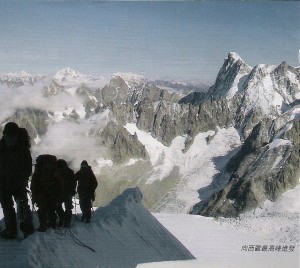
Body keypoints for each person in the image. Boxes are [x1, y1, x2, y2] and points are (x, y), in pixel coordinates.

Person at [0, 122, 34, 239]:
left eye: (12, 137)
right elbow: (28, 167)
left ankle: (13, 230)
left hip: (9, 182)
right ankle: (25, 229)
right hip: (12, 182)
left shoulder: (5, 146)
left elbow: (27, 167)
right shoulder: (22, 147)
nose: (10, 140)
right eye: (9, 137)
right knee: (19, 204)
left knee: (12, 205)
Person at [31, 154, 63, 232]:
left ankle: (43, 226)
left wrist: (34, 194)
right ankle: (52, 225)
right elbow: (60, 183)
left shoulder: (39, 168)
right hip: (53, 193)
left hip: (41, 193)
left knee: (42, 210)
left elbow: (34, 182)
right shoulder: (54, 169)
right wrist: (59, 194)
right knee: (51, 209)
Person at [56, 159, 76, 228]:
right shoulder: (70, 171)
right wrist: (73, 190)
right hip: (68, 192)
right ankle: (67, 222)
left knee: (58, 206)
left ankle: (61, 219)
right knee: (68, 207)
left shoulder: (57, 172)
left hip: (59, 193)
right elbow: (74, 182)